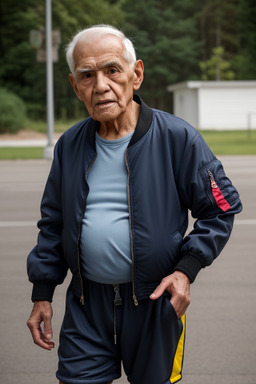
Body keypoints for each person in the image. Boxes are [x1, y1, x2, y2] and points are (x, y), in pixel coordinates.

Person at [27, 24, 242, 384]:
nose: (100, 85)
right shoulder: (69, 146)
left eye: (112, 70)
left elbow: (220, 208)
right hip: (86, 306)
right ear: (75, 85)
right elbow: (54, 223)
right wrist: (42, 293)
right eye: (87, 75)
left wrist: (186, 270)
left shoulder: (179, 139)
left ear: (135, 74)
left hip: (156, 303)